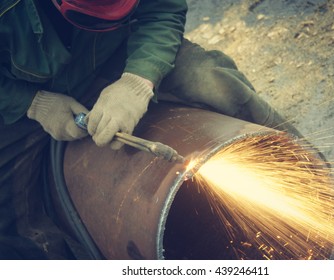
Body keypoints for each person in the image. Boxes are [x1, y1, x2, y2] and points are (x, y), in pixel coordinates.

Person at [0, 0, 302, 259]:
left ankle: (304, 176)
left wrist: (139, 79)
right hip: (22, 98)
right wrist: (32, 103)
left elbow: (163, 10)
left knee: (211, 79)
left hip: (121, 52)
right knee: (12, 221)